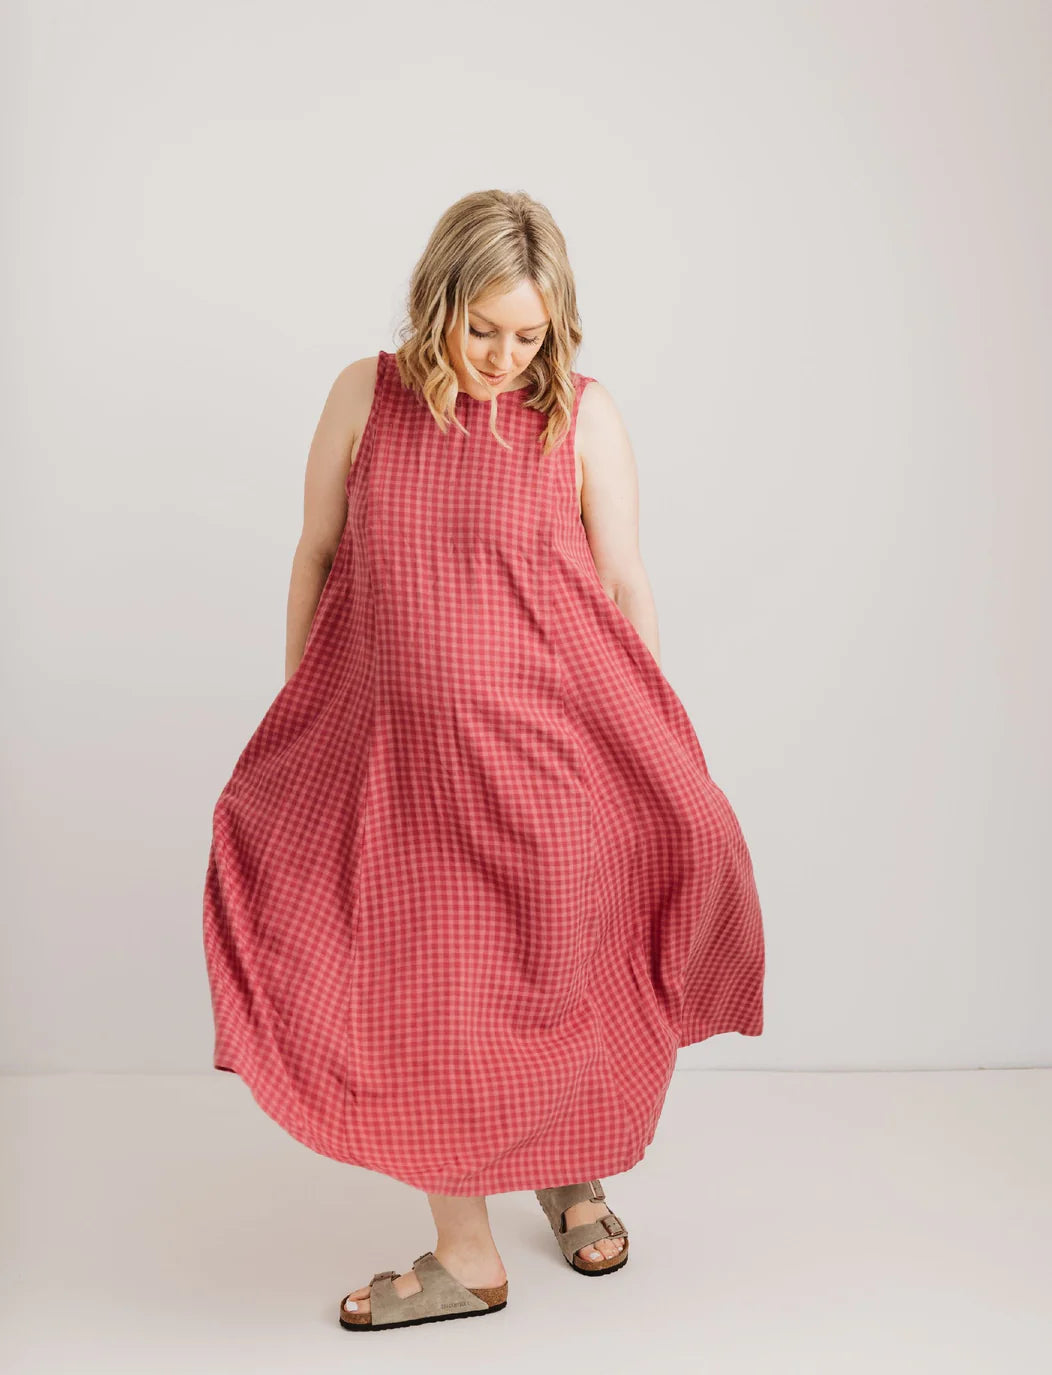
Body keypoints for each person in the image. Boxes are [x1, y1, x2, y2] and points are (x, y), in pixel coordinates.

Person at [202, 189, 765, 1332]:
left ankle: (568, 1166)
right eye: (483, 330)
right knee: (433, 996)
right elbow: (316, 555)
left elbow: (622, 585)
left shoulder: (581, 419)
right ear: (436, 302)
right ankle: (467, 1252)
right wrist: (306, 709)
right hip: (404, 774)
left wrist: (652, 744)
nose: (507, 357)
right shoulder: (365, 397)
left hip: (545, 761)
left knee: (561, 969)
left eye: (530, 335)